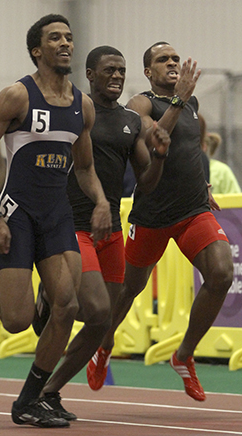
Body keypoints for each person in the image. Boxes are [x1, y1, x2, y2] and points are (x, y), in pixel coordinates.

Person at [0, 14, 112, 429]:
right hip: (16, 215)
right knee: (16, 321)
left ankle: (30, 400)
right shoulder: (17, 96)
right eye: (55, 38)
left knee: (67, 305)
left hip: (57, 215)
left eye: (68, 37)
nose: (65, 43)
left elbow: (84, 168)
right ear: (37, 50)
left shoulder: (82, 106)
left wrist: (100, 200)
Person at [87, 42, 233, 402]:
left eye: (175, 59)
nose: (172, 63)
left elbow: (191, 149)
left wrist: (202, 181)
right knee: (127, 291)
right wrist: (179, 100)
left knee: (221, 274)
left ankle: (183, 355)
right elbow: (155, 142)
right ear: (149, 72)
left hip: (192, 210)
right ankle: (103, 345)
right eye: (162, 60)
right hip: (151, 215)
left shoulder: (193, 107)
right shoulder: (141, 104)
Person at [31, 45, 170, 419]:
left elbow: (148, 183)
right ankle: (50, 293)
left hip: (110, 229)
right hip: (72, 225)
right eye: (109, 70)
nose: (117, 76)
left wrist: (158, 156)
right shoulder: (76, 112)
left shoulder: (130, 121)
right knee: (92, 308)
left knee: (102, 321)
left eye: (122, 71)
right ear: (90, 74)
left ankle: (48, 390)